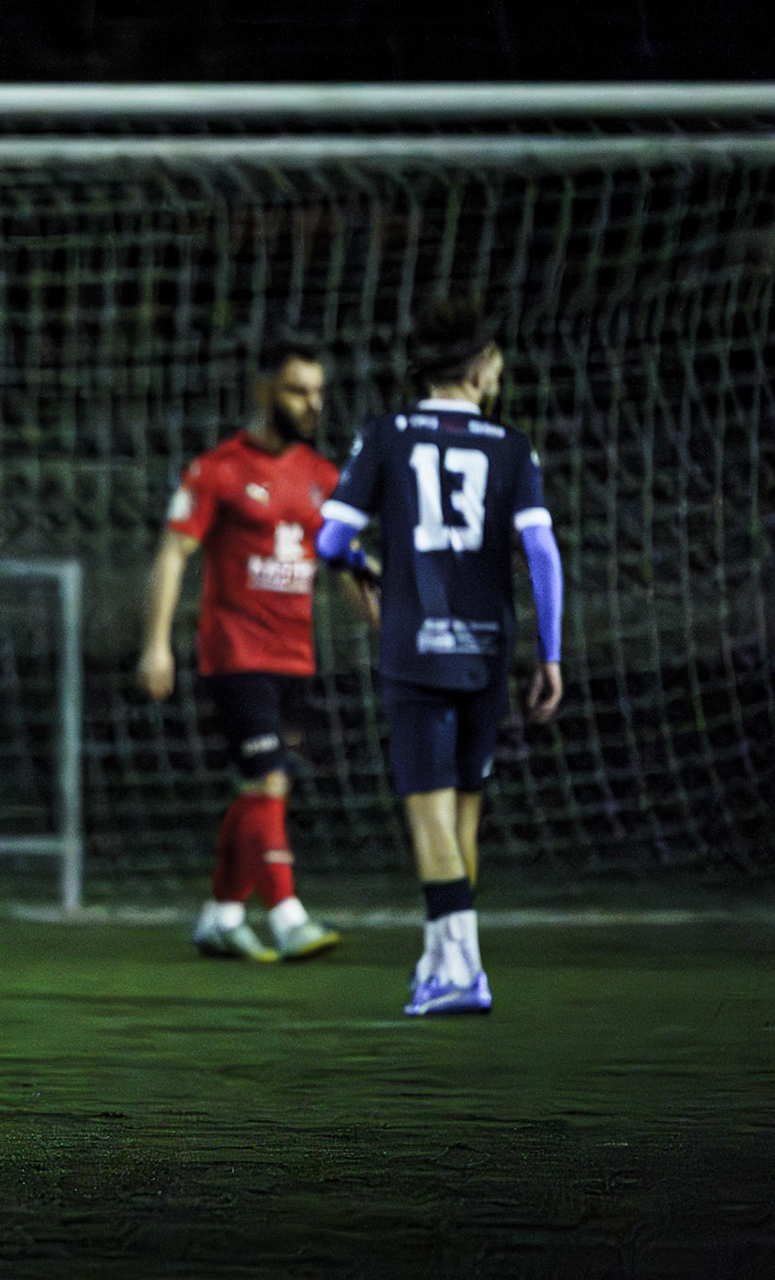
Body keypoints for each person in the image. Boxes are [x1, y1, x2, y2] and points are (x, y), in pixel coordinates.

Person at [315, 301, 564, 1016]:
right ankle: (439, 957)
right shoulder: (512, 446)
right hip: (488, 649)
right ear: (480, 366)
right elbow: (542, 552)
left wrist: (364, 568)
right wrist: (551, 654)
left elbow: (329, 540)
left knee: (429, 814)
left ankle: (462, 970)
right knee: (463, 814)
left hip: (417, 648)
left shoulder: (388, 435)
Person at [139, 336, 373, 962]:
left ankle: (222, 915)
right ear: (264, 390)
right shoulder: (217, 470)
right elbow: (173, 553)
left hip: (295, 658)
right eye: (298, 390)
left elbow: (349, 563)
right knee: (268, 778)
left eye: (319, 392)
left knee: (265, 791)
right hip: (236, 655)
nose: (313, 403)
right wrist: (157, 645)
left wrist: (391, 617)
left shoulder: (323, 477)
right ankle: (289, 916)